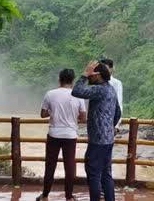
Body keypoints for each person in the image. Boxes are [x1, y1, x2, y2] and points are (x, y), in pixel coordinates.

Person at [72, 60, 121, 201]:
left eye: (91, 75)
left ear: (98, 75)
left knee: (93, 173)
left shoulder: (99, 89)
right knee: (106, 174)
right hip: (108, 139)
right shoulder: (111, 89)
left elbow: (76, 91)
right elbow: (117, 113)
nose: (90, 78)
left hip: (98, 141)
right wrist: (108, 128)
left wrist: (83, 75)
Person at [38, 69, 87, 201]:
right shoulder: (78, 95)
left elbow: (43, 114)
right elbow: (83, 117)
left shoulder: (50, 94)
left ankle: (45, 195)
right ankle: (69, 196)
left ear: (59, 79)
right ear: (72, 81)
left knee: (50, 165)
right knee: (69, 166)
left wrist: (53, 112)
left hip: (54, 134)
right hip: (70, 135)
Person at [99, 59, 124, 125]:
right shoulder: (96, 83)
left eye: (106, 68)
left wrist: (117, 124)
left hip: (110, 120)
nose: (104, 71)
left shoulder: (116, 83)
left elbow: (119, 103)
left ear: (112, 69)